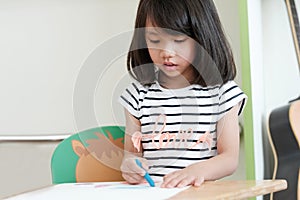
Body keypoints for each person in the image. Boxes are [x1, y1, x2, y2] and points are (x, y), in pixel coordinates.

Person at [119, 0, 247, 188]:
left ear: (202, 36)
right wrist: (130, 165)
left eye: (178, 40)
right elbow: (132, 153)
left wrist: (197, 171)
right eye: (154, 40)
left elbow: (229, 158)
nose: (166, 52)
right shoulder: (138, 96)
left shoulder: (223, 94)